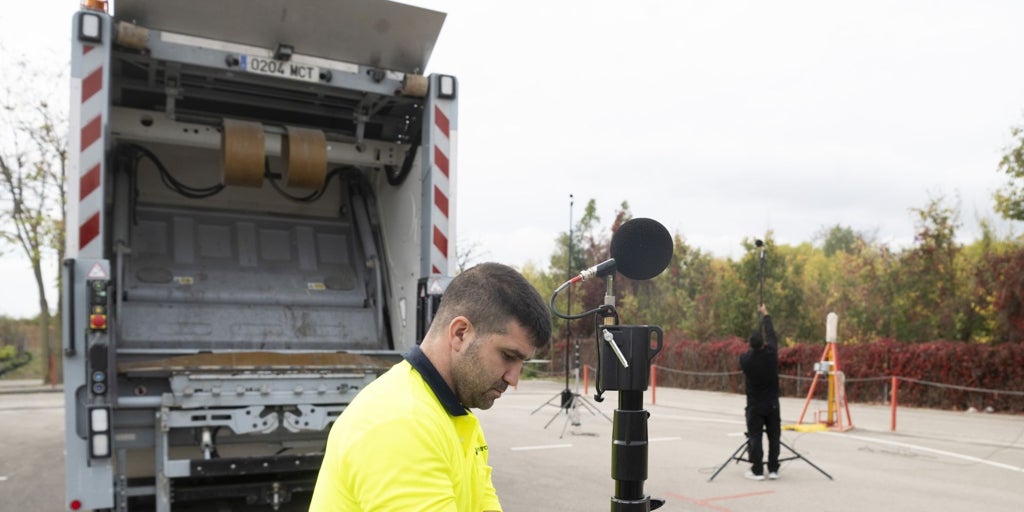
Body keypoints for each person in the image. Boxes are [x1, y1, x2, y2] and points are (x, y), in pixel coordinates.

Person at [309, 262, 552, 511]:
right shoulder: (400, 420)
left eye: (523, 362)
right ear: (460, 333)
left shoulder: (456, 415)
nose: (514, 379)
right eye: (508, 356)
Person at [739, 303, 781, 481]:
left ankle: (757, 469)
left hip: (755, 405)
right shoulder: (771, 355)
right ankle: (773, 469)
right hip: (772, 403)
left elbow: (749, 353)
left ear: (750, 345)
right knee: (774, 436)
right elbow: (772, 336)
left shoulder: (746, 360)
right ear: (763, 344)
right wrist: (765, 315)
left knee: (755, 437)